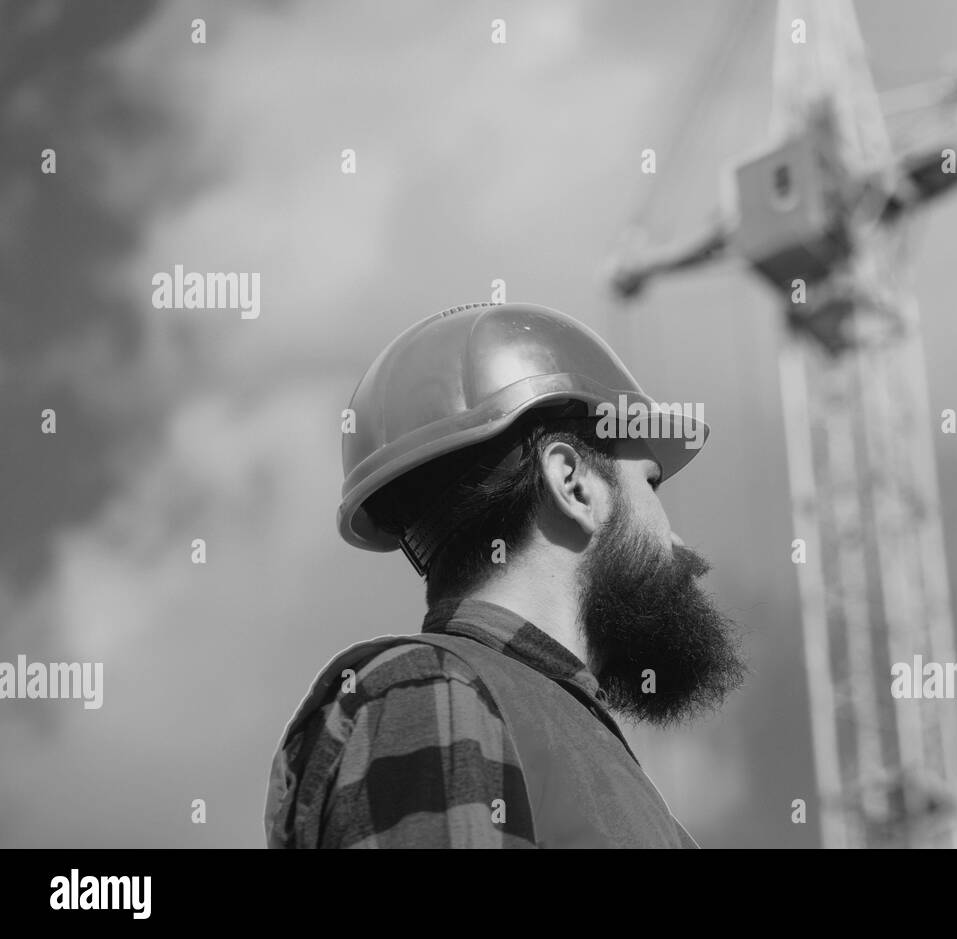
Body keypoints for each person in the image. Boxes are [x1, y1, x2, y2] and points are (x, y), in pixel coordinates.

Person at [264, 301, 748, 848]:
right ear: (575, 485)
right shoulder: (427, 692)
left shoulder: (626, 791)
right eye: (651, 484)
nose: (678, 541)